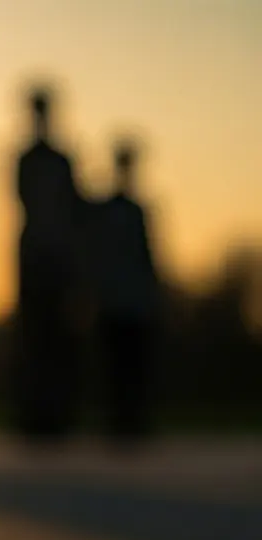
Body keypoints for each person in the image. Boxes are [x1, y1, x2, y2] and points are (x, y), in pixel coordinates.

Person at [14, 85, 85, 439]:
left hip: (55, 257)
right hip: (35, 256)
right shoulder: (26, 159)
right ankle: (35, 413)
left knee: (55, 338)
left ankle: (57, 414)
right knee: (34, 337)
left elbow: (74, 210)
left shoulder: (60, 161)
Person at [91, 139, 160, 440]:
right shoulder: (107, 211)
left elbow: (147, 257)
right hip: (112, 300)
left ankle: (133, 420)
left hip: (134, 300)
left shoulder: (137, 211)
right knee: (115, 366)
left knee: (134, 365)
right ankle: (117, 421)